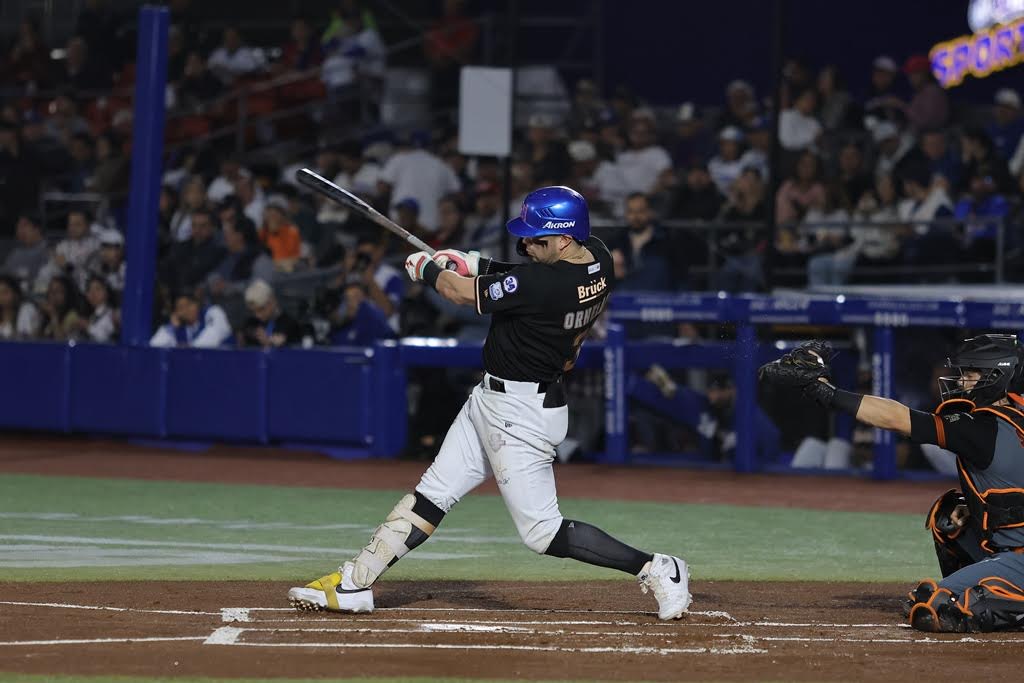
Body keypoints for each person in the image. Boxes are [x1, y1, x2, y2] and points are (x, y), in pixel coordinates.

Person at [287, 186, 691, 620]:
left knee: (542, 533)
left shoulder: (546, 285)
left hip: (522, 415)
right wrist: (473, 263)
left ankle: (658, 568)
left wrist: (427, 269)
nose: (527, 245)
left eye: (537, 239)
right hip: (493, 399)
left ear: (565, 239)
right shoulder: (598, 257)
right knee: (432, 494)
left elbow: (462, 294)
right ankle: (356, 582)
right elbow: (516, 277)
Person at [758, 334, 1024, 633]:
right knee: (951, 514)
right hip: (1011, 549)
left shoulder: (982, 427)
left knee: (933, 605)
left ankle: (1001, 596)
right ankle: (989, 581)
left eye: (970, 375)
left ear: (996, 376)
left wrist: (824, 391)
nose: (961, 382)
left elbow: (895, 417)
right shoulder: (1013, 413)